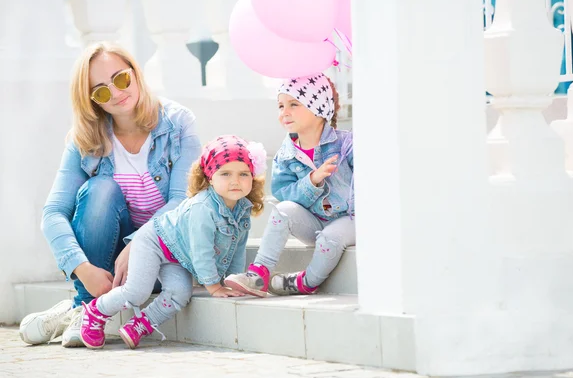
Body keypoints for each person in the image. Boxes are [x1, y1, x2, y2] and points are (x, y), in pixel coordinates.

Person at [18, 41, 201, 347]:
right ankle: (87, 305)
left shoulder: (178, 123)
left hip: (165, 257)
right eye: (101, 91)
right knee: (100, 189)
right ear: (92, 101)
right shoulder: (85, 139)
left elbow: (183, 200)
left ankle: (79, 310)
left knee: (115, 198)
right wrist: (82, 268)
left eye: (121, 79)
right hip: (111, 268)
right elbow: (53, 213)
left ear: (135, 72)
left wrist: (139, 243)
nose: (116, 93)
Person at [79, 135, 266, 349]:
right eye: (225, 173)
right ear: (210, 177)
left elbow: (237, 248)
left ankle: (142, 323)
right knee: (137, 292)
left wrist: (233, 281)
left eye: (244, 174)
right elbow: (201, 251)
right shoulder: (202, 208)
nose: (235, 181)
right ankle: (96, 310)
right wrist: (214, 286)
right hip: (155, 241)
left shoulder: (242, 210)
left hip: (178, 256)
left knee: (180, 293)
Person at [225, 72, 355, 297]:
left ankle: (307, 282)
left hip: (350, 220)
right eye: (280, 105)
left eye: (294, 104)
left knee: (331, 237)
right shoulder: (286, 155)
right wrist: (311, 181)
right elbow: (285, 196)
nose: (284, 112)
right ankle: (259, 274)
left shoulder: (346, 144)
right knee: (283, 210)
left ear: (319, 107)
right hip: (314, 221)